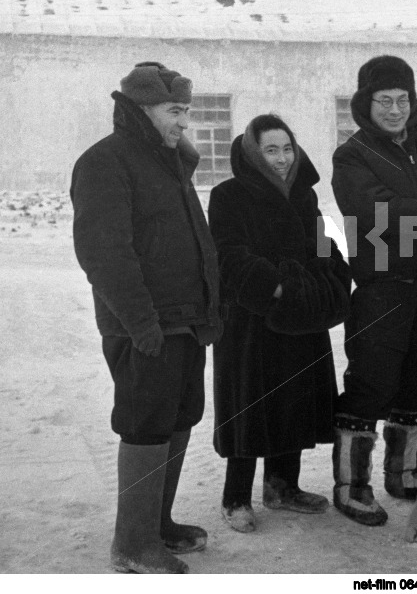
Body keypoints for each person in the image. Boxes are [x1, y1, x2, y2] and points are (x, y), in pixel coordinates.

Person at [71, 62, 223, 574]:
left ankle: (157, 524)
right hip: (144, 326)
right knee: (144, 424)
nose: (185, 122)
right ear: (142, 110)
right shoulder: (106, 162)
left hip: (182, 321)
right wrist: (140, 324)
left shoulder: (167, 162)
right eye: (174, 111)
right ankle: (133, 544)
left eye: (186, 111)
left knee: (177, 418)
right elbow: (105, 253)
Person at [330, 55, 417, 526]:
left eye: (402, 99)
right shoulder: (352, 156)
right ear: (367, 103)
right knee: (371, 382)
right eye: (384, 100)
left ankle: (404, 472)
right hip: (383, 287)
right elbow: (376, 211)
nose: (394, 109)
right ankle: (351, 484)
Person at [208, 114, 352, 533]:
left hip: (303, 317)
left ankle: (282, 486)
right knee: (251, 404)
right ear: (253, 153)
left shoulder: (305, 198)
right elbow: (228, 256)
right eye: (271, 150)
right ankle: (235, 495)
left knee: (295, 400)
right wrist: (277, 290)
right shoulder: (228, 196)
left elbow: (325, 249)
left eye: (287, 148)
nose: (282, 158)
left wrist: (332, 284)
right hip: (251, 324)